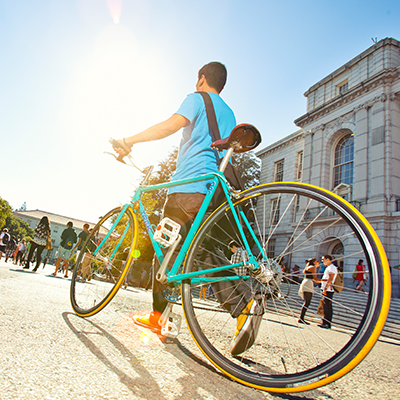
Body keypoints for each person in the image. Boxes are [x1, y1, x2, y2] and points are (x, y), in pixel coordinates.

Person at [113, 62, 261, 355]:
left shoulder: (195, 98)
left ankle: (160, 317)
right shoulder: (229, 112)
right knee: (203, 252)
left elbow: (171, 125)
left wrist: (128, 140)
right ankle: (243, 308)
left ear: (201, 79)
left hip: (188, 186)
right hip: (215, 189)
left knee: (163, 248)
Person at [317, 254, 338, 329]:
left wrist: (325, 289)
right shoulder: (329, 267)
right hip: (327, 289)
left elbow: (330, 279)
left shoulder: (332, 268)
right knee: (326, 305)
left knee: (327, 306)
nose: (322, 261)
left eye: (323, 259)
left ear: (328, 259)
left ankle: (327, 323)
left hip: (328, 290)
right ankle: (325, 322)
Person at [298, 258, 319, 324]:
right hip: (308, 283)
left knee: (306, 302)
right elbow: (315, 277)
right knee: (307, 302)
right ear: (314, 262)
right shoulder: (312, 267)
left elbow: (313, 278)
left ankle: (301, 318)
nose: (318, 262)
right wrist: (325, 281)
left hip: (306, 282)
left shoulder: (309, 267)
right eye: (317, 261)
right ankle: (301, 318)